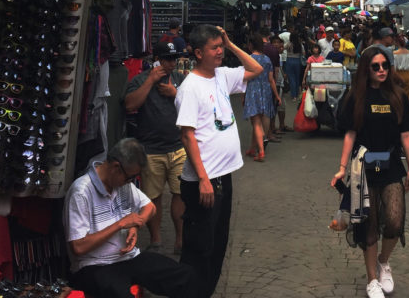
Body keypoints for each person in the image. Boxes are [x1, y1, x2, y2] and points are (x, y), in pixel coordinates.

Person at [175, 25, 263, 298]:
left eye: (220, 46)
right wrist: (203, 179)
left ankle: (205, 292)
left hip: (223, 176)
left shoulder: (222, 76)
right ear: (198, 53)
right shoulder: (190, 87)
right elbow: (188, 136)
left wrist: (231, 43)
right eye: (215, 48)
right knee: (199, 247)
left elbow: (257, 69)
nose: (220, 52)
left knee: (217, 245)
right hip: (204, 180)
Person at [332, 45, 409, 298]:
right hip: (362, 167)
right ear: (366, 69)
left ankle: (383, 261)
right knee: (368, 224)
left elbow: (406, 134)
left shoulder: (398, 96)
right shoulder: (355, 97)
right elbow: (350, 134)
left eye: (385, 66)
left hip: (391, 165)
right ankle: (372, 280)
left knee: (394, 220)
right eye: (376, 66)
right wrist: (341, 168)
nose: (382, 70)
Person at [64, 138, 197, 298]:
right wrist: (120, 224)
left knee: (184, 276)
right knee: (120, 293)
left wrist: (135, 225)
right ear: (116, 168)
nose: (130, 182)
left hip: (129, 258)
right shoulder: (81, 192)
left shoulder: (123, 184)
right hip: (94, 266)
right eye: (129, 178)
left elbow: (149, 208)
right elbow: (78, 247)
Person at [122, 40, 186, 253]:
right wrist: (150, 81)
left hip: (178, 147)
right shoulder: (141, 79)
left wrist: (175, 94)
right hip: (150, 150)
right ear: (156, 60)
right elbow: (130, 105)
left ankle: (180, 239)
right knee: (153, 197)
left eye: (174, 59)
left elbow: (198, 106)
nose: (171, 63)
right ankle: (156, 240)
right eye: (167, 59)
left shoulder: (180, 80)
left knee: (180, 194)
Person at [242, 33, 280, 160]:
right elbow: (271, 79)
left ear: (251, 45)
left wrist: (243, 96)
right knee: (261, 118)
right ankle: (252, 148)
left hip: (253, 90)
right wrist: (277, 95)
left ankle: (261, 151)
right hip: (266, 91)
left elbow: (245, 79)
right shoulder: (267, 59)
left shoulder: (248, 58)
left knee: (256, 122)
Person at [391, 33, 409, 114]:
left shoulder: (394, 54)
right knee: (408, 94)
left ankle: (399, 111)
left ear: (396, 42)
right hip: (408, 75)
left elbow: (394, 68)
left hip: (398, 74)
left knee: (398, 94)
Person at [283, 32, 305, 103]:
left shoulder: (288, 44)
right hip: (297, 61)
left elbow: (282, 48)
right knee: (297, 78)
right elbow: (303, 53)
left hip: (289, 61)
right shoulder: (300, 45)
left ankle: (294, 96)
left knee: (291, 79)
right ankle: (298, 93)